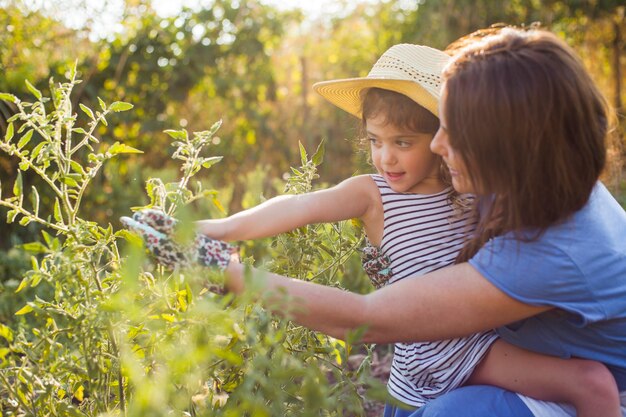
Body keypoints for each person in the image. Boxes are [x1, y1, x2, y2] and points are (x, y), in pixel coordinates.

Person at [124, 32, 625, 416]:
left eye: (445, 130)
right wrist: (215, 228)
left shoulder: (550, 245)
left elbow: (368, 317)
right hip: (459, 352)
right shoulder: (519, 175)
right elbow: (298, 207)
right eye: (376, 140)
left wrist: (229, 272)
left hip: (507, 358)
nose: (435, 145)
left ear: (503, 144)